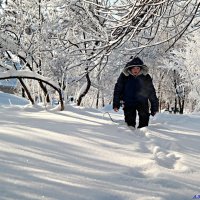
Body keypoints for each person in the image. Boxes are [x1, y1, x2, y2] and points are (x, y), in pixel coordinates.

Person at [113, 57, 159, 128]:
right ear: (130, 68)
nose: (135, 70)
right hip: (129, 102)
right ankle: (131, 136)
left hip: (142, 102)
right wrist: (116, 104)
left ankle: (143, 136)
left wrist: (154, 107)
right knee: (129, 124)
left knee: (144, 124)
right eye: (134, 68)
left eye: (137, 68)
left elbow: (151, 92)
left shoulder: (146, 77)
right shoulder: (124, 76)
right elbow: (118, 90)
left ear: (141, 68)